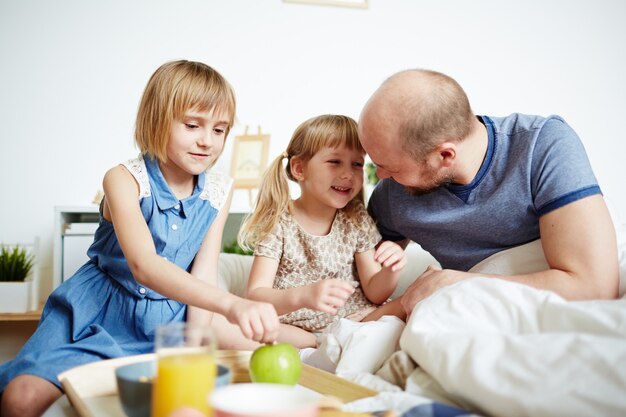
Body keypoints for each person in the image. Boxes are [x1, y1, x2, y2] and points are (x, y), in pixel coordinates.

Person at [0, 60, 279, 417]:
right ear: (157, 120)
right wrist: (232, 304)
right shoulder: (122, 179)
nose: (207, 141)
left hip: (166, 325)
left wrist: (192, 352)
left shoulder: (219, 191)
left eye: (220, 130)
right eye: (193, 125)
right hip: (95, 315)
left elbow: (204, 274)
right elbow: (145, 266)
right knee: (20, 398)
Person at [358, 68, 619, 316]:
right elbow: (363, 283)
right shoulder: (393, 195)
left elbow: (593, 287)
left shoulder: (542, 146)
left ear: (445, 155)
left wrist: (457, 284)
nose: (379, 176)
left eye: (387, 166)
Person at [238, 114, 408, 349]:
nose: (348, 174)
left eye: (357, 164)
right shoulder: (279, 223)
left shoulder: (356, 218)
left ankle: (335, 342)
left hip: (355, 320)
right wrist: (305, 296)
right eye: (335, 162)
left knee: (414, 301)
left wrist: (391, 269)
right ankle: (320, 345)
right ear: (299, 169)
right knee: (227, 325)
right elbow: (256, 295)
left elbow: (375, 292)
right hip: (298, 329)